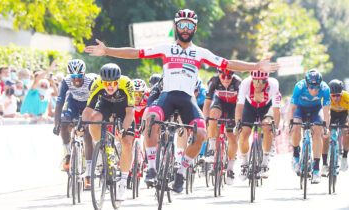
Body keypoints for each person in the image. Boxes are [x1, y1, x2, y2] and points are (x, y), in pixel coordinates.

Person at [84, 8, 279, 193]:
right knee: (150, 117)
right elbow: (136, 52)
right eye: (182, 25)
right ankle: (151, 168)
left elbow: (227, 63)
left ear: (194, 28)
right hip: (167, 96)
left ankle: (181, 172)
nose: (185, 30)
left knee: (201, 133)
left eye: (189, 26)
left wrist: (255, 65)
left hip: (187, 99)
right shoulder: (166, 48)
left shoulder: (201, 52)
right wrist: (107, 50)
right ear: (176, 26)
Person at [88, 63, 135, 201]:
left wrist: (123, 130)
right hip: (106, 105)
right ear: (102, 81)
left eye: (113, 83)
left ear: (119, 81)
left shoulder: (127, 84)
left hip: (124, 109)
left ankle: (123, 183)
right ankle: (100, 149)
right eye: (106, 83)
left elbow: (130, 112)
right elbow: (88, 109)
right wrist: (81, 125)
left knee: (127, 143)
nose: (109, 86)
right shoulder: (96, 84)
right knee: (93, 119)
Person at [52, 59, 95, 190]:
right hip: (73, 103)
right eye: (73, 77)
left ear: (84, 74)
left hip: (88, 104)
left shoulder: (91, 82)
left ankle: (89, 173)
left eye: (79, 76)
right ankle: (68, 154)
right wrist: (56, 123)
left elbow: (95, 104)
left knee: (88, 134)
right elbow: (59, 103)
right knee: (64, 122)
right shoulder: (65, 81)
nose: (76, 80)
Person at [236, 70, 281, 180]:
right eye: (255, 81)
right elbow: (239, 106)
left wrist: (275, 128)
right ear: (252, 80)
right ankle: (245, 165)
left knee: (267, 127)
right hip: (249, 107)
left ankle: (265, 164)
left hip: (266, 107)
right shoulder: (245, 83)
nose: (259, 84)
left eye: (262, 81)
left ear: (267, 81)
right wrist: (238, 124)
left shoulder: (273, 84)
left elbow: (276, 110)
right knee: (244, 132)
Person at [287, 69, 330, 184]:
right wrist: (289, 124)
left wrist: (326, 127)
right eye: (311, 87)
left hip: (316, 110)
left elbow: (326, 111)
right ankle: (296, 155)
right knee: (296, 127)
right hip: (300, 109)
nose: (314, 90)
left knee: (317, 132)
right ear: (306, 84)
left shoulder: (325, 89)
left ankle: (316, 169)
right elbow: (291, 108)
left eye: (316, 87)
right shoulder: (299, 86)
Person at [203, 68, 242, 185]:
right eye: (223, 76)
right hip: (219, 103)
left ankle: (230, 169)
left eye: (229, 77)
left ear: (233, 76)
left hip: (234, 107)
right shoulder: (214, 81)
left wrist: (239, 121)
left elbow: (241, 106)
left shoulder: (238, 83)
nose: (225, 79)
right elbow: (207, 104)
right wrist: (206, 120)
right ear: (219, 74)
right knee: (213, 115)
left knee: (231, 136)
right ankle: (212, 147)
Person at [323, 79, 349, 172]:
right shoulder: (326, 97)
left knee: (346, 132)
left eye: (338, 95)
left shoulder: (347, 97)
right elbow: (325, 112)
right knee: (325, 135)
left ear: (341, 94)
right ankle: (324, 163)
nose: (335, 98)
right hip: (331, 114)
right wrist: (326, 126)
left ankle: (345, 157)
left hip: (343, 114)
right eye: (333, 95)